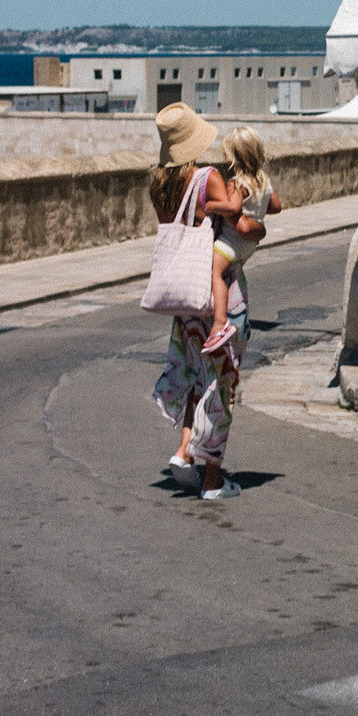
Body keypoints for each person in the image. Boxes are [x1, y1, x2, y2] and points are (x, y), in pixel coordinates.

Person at [148, 102, 256, 501]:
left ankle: (184, 453)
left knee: (195, 377)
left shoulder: (160, 187)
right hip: (217, 293)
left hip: (185, 299)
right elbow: (241, 225)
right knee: (222, 382)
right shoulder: (208, 178)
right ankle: (212, 480)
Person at [202, 126, 282, 356]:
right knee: (229, 275)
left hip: (231, 242)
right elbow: (276, 206)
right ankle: (234, 313)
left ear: (234, 156)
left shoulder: (237, 182)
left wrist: (211, 205)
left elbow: (233, 207)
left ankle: (219, 323)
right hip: (248, 246)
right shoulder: (263, 180)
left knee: (214, 273)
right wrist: (257, 210)